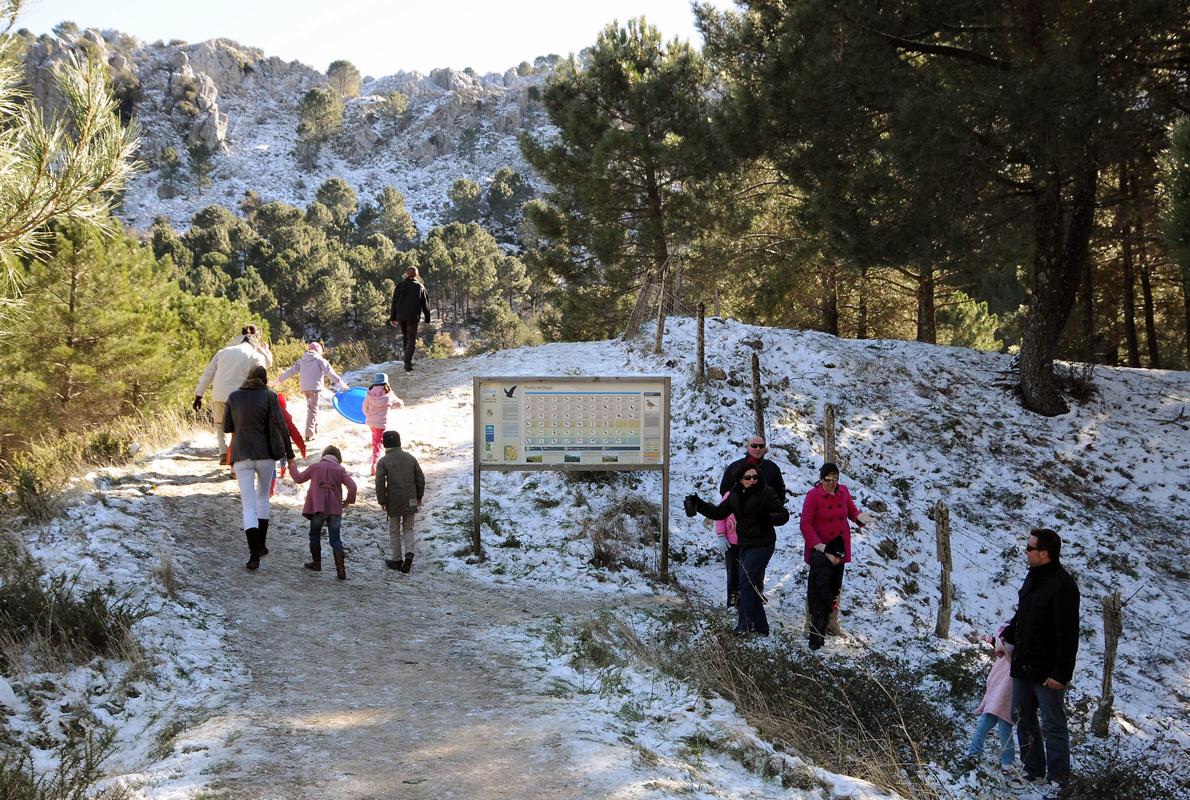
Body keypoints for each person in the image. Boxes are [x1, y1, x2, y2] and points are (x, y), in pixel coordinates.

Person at [1002, 528, 1080, 786]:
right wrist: (1007, 636)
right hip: (1023, 663)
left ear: (1044, 553)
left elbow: (1069, 633)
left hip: (1048, 670)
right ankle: (1032, 770)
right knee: (1022, 716)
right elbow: (1024, 613)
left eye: (1030, 548)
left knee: (1053, 725)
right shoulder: (1032, 577)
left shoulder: (1064, 586)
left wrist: (1061, 673)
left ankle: (1059, 780)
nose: (1025, 552)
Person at [686, 467, 789, 635]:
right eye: (748, 477)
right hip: (745, 544)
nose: (752, 480)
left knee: (745, 584)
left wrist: (767, 518)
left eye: (755, 477)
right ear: (740, 479)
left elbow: (784, 515)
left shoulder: (766, 492)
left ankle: (744, 626)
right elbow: (718, 513)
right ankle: (762, 627)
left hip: (763, 544)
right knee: (751, 584)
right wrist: (699, 504)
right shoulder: (734, 494)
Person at [223, 365, 294, 570]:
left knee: (248, 505)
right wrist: (289, 456)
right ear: (264, 380)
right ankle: (261, 545)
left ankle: (253, 554)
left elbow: (227, 427)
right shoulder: (270, 396)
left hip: (241, 454)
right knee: (263, 498)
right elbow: (281, 426)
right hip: (266, 455)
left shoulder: (234, 396)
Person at [799, 462, 871, 636]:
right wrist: (818, 545)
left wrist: (861, 517)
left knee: (835, 586)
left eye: (835, 479)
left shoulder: (843, 491)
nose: (831, 482)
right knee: (816, 588)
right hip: (821, 549)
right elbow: (805, 523)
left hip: (839, 548)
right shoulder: (813, 495)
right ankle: (811, 624)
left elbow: (851, 511)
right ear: (821, 479)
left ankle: (832, 622)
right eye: (827, 479)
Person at [194, 326, 274, 465]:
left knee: (219, 424)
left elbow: (208, 374)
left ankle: (223, 452)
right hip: (240, 397)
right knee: (238, 427)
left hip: (219, 394)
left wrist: (199, 395)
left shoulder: (223, 352)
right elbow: (262, 375)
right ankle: (234, 457)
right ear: (253, 343)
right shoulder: (254, 355)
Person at [290, 444, 357, 580]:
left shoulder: (315, 467)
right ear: (338, 458)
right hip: (335, 510)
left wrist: (292, 466)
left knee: (314, 535)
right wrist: (348, 501)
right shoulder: (340, 469)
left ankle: (316, 563)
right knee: (335, 539)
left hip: (318, 509)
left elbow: (298, 478)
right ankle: (341, 570)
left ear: (324, 456)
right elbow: (353, 486)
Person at [965, 623, 1016, 773]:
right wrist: (981, 637)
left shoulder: (1012, 657)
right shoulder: (1002, 657)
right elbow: (995, 641)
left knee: (1004, 731)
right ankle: (974, 753)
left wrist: (994, 640)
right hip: (994, 699)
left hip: (1007, 700)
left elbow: (1000, 644)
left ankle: (1007, 763)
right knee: (983, 726)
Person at [273, 342, 349, 441]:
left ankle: (314, 427)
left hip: (305, 389)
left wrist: (278, 380)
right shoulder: (320, 360)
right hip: (315, 389)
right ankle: (309, 433)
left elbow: (290, 371)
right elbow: (331, 373)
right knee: (313, 410)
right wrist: (342, 384)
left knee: (311, 408)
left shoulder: (302, 360)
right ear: (318, 351)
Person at [374, 430, 425, 573]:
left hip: (393, 500)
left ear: (385, 444)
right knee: (409, 528)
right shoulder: (410, 458)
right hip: (411, 499)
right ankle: (409, 553)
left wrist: (382, 500)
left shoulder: (384, 461)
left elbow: (379, 483)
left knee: (394, 529)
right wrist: (419, 496)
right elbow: (420, 478)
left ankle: (397, 560)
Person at [806, 535, 846, 650]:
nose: (838, 561)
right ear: (828, 553)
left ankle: (820, 642)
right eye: (836, 557)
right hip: (819, 601)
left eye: (840, 559)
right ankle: (814, 645)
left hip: (825, 602)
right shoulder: (822, 567)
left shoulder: (829, 565)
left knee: (824, 621)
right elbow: (822, 587)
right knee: (818, 623)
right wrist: (831, 601)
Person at [388, 266, 431, 372]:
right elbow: (425, 303)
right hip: (412, 316)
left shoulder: (399, 286)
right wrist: (427, 317)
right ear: (417, 274)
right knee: (411, 339)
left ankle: (407, 360)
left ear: (406, 274)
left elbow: (394, 302)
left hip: (401, 316)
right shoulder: (420, 286)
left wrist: (393, 317)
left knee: (405, 336)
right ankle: (407, 362)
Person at [362, 372, 405, 474]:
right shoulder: (388, 394)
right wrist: (400, 403)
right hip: (381, 423)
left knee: (375, 441)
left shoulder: (369, 392)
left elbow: (364, 408)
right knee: (378, 445)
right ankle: (374, 466)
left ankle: (374, 458)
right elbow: (399, 405)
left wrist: (369, 415)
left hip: (370, 422)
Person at [720, 435, 787, 499]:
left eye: (761, 446)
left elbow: (780, 491)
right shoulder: (734, 467)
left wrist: (775, 507)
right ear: (748, 447)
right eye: (754, 446)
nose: (758, 449)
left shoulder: (772, 467)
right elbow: (724, 490)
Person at [713, 487, 740, 607]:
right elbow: (719, 516)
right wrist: (721, 536)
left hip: (750, 542)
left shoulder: (758, 494)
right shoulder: (729, 495)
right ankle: (732, 600)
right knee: (733, 572)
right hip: (731, 543)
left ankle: (748, 600)